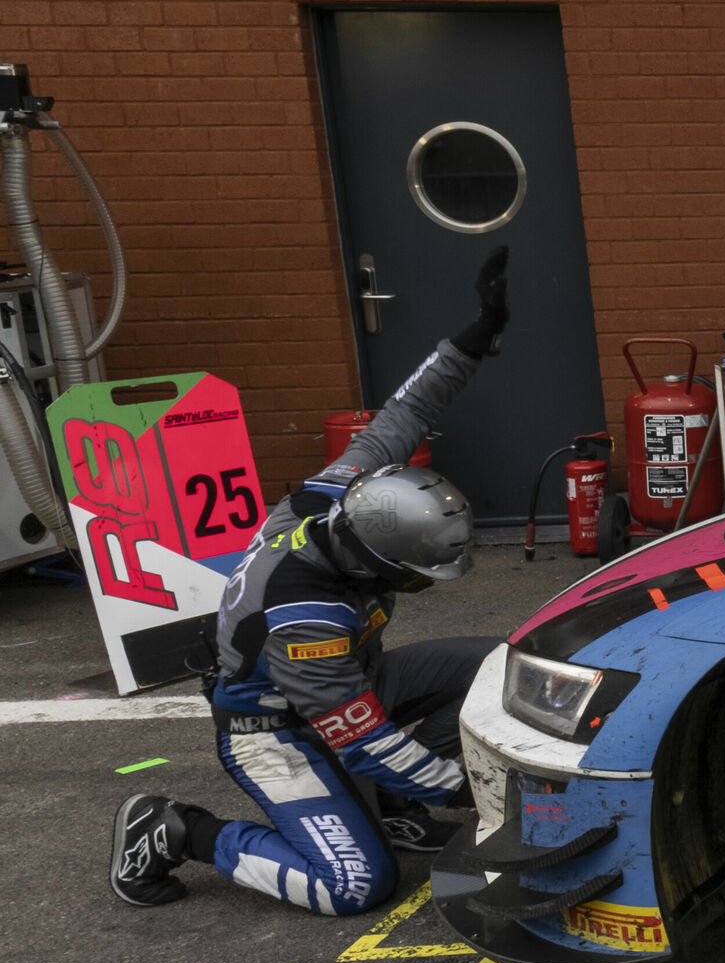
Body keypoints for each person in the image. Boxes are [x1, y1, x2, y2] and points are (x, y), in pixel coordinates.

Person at [110, 251, 515, 915]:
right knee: (354, 885)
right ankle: (175, 829)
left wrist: (476, 335)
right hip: (270, 727)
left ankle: (389, 804)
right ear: (374, 560)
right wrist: (475, 789)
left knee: (506, 669)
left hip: (347, 683)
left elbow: (405, 413)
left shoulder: (344, 493)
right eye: (413, 578)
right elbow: (366, 739)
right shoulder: (307, 617)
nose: (421, 588)